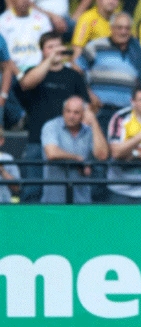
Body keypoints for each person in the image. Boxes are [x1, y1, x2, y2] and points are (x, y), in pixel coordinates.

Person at [16, 31, 91, 203]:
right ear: (42, 51)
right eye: (50, 47)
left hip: (66, 142)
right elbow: (26, 84)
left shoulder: (73, 75)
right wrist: (49, 60)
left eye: (58, 46)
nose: (55, 50)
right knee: (32, 190)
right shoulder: (33, 72)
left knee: (65, 192)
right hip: (36, 140)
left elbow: (85, 106)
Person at [77, 12, 141, 134]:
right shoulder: (96, 46)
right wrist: (88, 93)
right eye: (119, 27)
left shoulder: (137, 52)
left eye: (127, 28)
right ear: (111, 28)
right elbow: (76, 70)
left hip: (127, 113)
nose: (123, 32)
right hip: (100, 111)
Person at [40, 96, 109, 203]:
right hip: (53, 201)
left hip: (81, 202)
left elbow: (102, 155)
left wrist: (94, 121)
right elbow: (52, 153)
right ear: (63, 111)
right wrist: (78, 159)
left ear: (83, 114)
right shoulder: (51, 126)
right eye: (68, 111)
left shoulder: (90, 131)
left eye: (76, 113)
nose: (71, 116)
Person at [0, 0, 52, 73]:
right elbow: (3, 55)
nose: (24, 1)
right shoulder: (2, 21)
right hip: (12, 71)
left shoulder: (42, 19)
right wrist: (19, 75)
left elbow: (49, 45)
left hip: (39, 69)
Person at [0, 126, 20, 202]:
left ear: (1, 141)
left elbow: (17, 188)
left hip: (4, 207)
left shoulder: (7, 158)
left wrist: (2, 171)